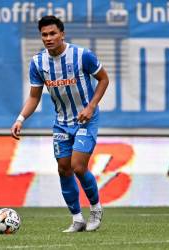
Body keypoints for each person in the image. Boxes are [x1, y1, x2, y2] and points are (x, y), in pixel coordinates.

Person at [11, 16, 109, 232]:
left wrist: (91, 106)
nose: (48, 38)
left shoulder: (82, 56)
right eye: (44, 34)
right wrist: (20, 119)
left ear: (62, 34)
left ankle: (95, 207)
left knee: (78, 166)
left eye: (52, 33)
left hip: (86, 119)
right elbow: (34, 97)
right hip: (62, 122)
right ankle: (77, 218)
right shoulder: (38, 63)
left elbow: (104, 79)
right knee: (64, 169)